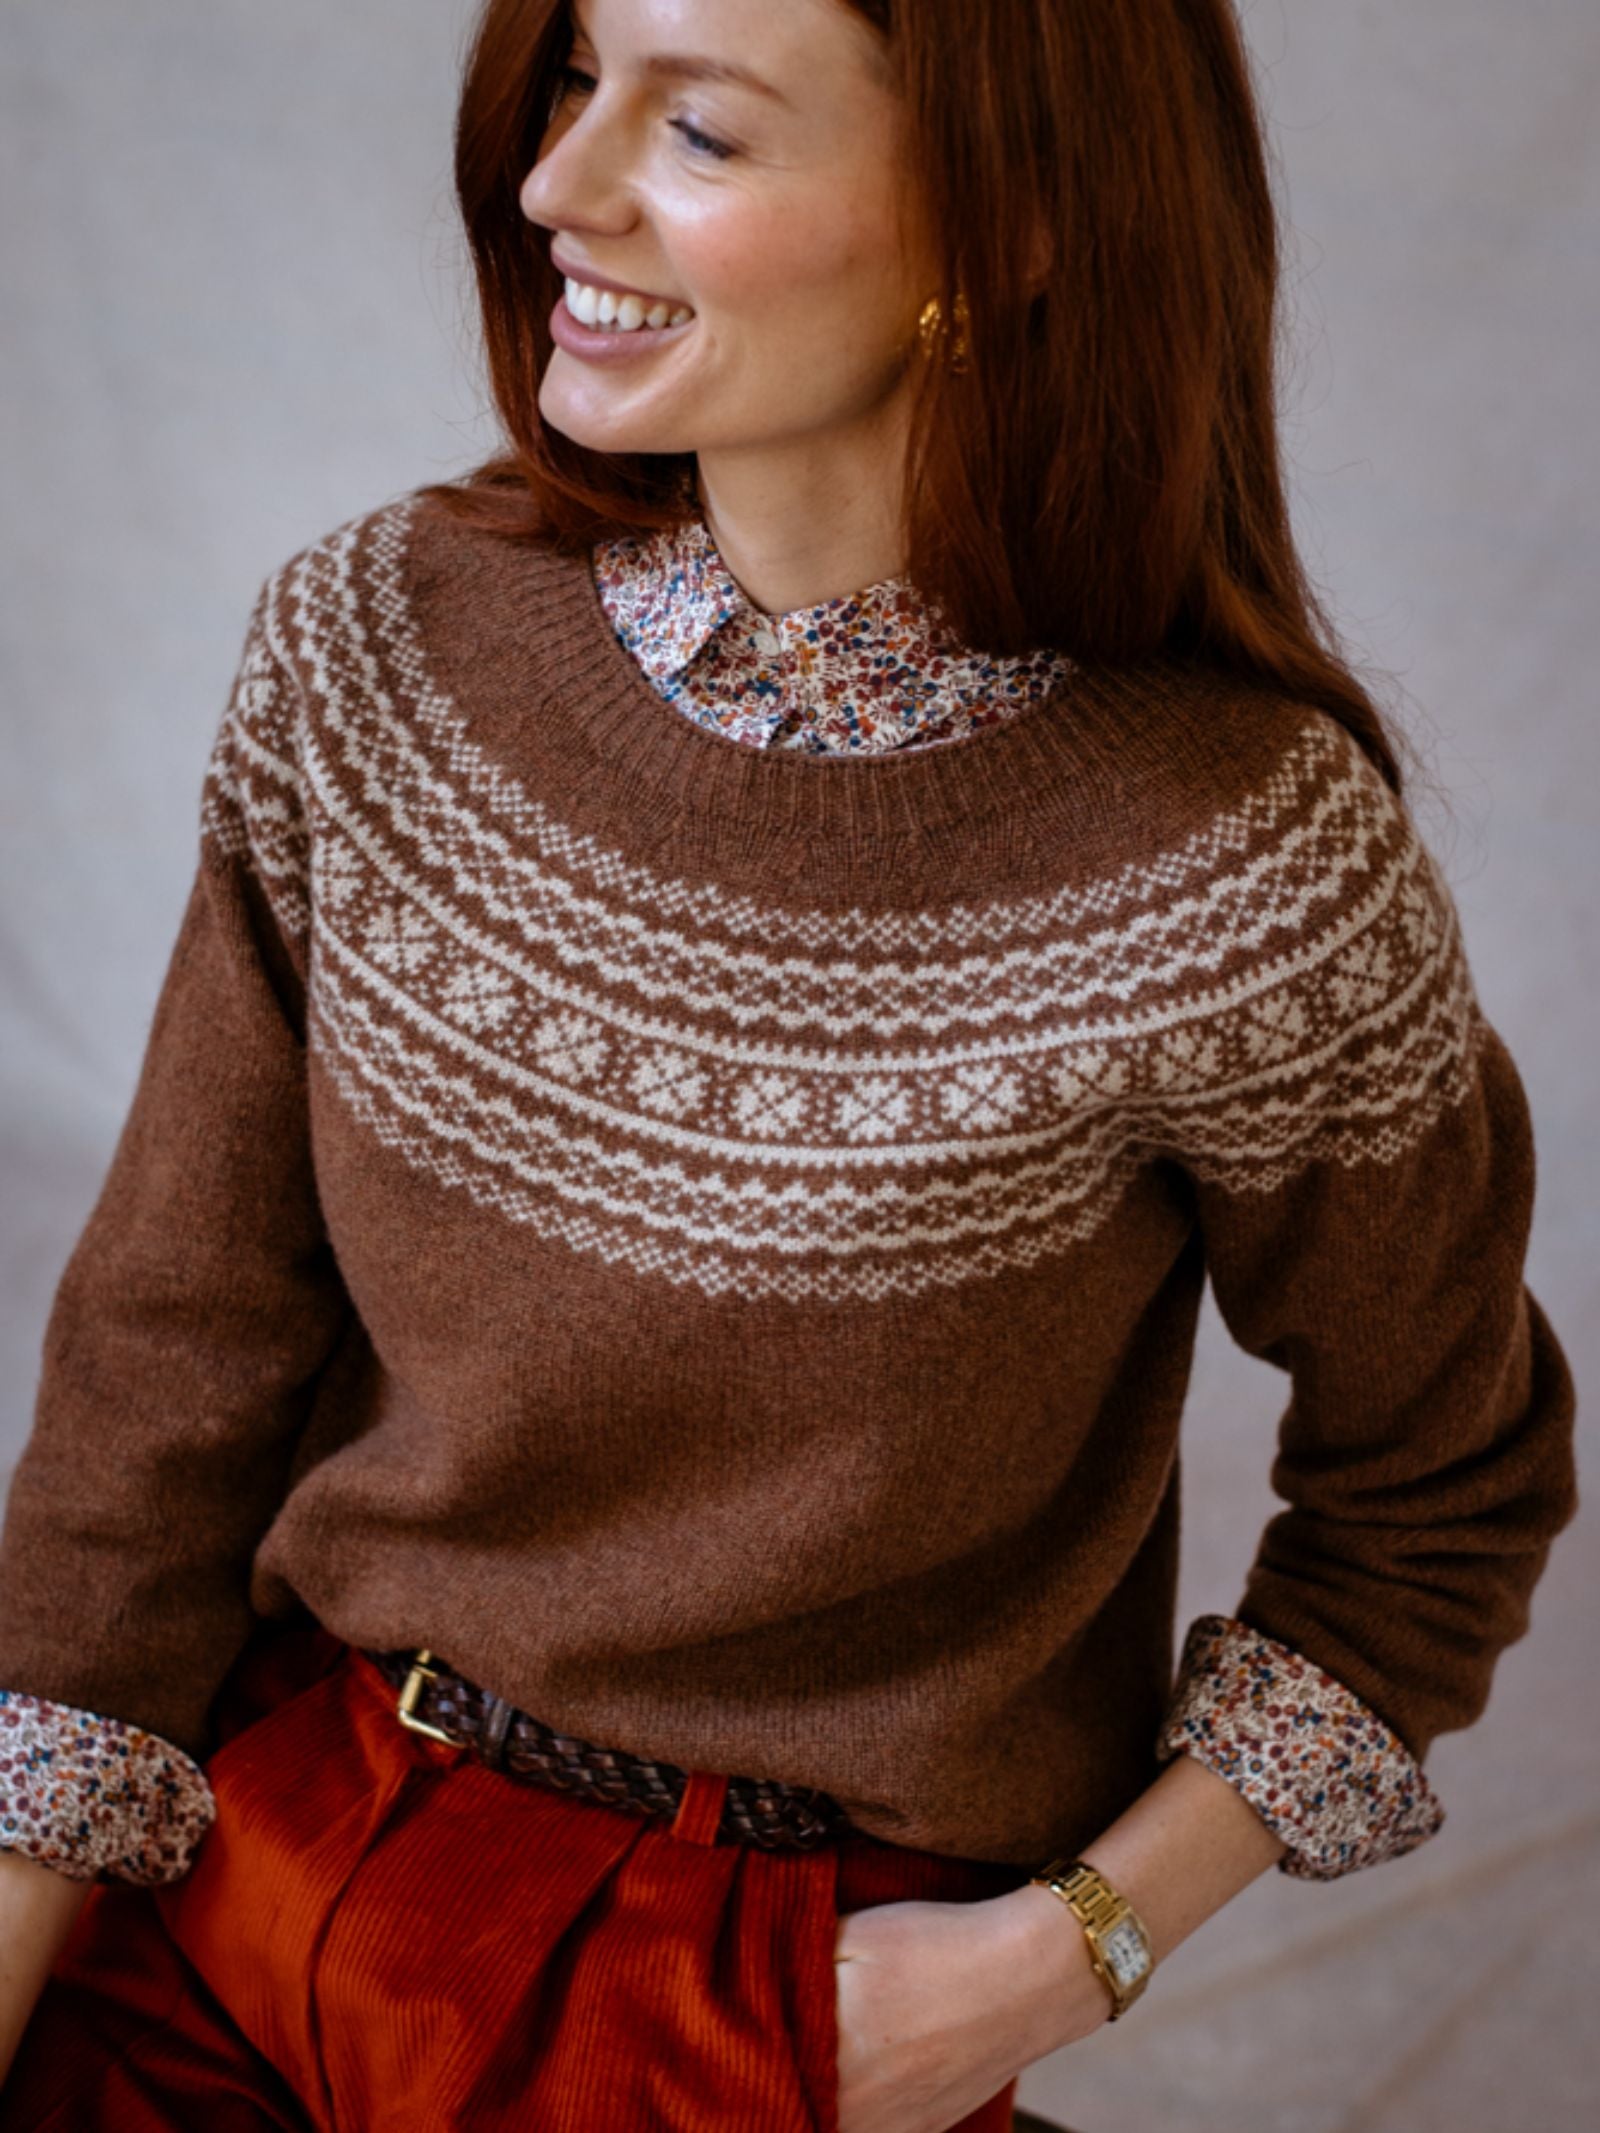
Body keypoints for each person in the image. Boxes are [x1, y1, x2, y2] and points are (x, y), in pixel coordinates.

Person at [0, 0, 1578, 2128]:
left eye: (703, 130)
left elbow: (1439, 1491)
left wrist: (1059, 1954)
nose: (559, 182)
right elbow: (164, 1369)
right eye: (574, 73)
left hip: (761, 2000)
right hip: (246, 1851)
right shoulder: (370, 647)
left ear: (1000, 229)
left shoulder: (1244, 863)